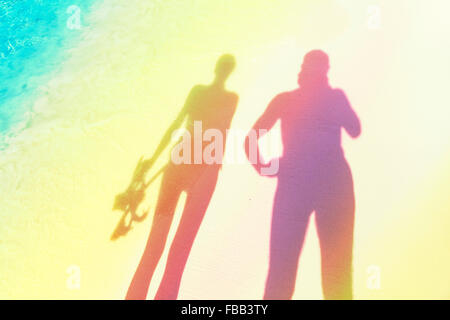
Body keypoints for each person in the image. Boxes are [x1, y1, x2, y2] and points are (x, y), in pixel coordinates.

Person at [246, 50, 361, 299]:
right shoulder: (327, 98)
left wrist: (267, 168)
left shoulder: (287, 100)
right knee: (334, 270)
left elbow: (250, 139)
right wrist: (266, 168)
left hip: (307, 183)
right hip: (327, 183)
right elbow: (355, 129)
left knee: (284, 270)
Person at [126, 54, 238, 300]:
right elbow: (221, 132)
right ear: (228, 71)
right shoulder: (229, 98)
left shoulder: (202, 93)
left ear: (218, 68)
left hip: (184, 165)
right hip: (198, 170)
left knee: (158, 248)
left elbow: (178, 125)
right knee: (175, 251)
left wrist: (152, 162)